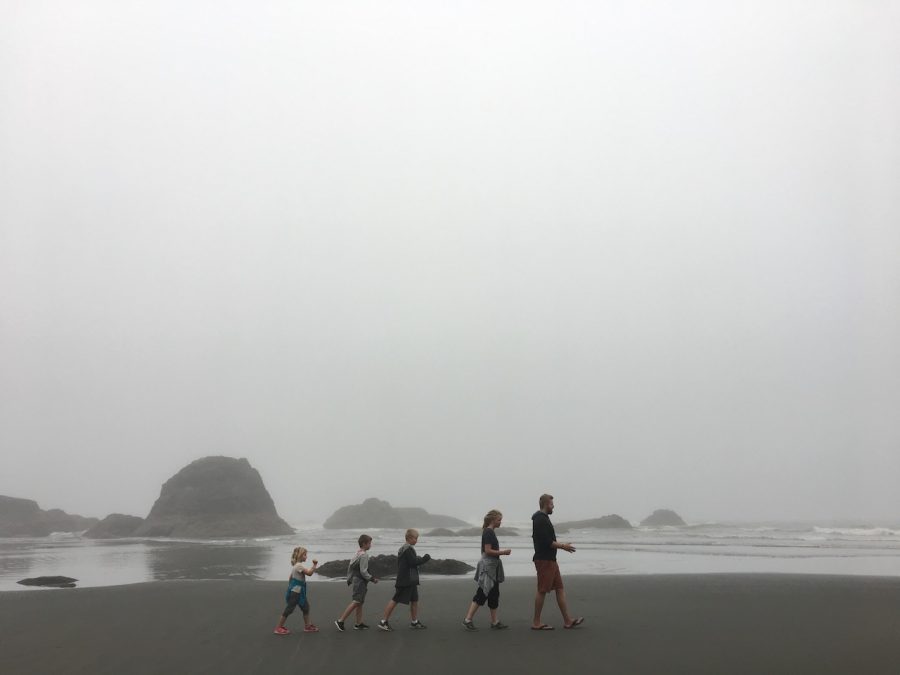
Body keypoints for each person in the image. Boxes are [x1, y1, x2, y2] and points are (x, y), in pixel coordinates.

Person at [531, 494, 584, 630]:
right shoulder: (540, 520)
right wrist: (563, 546)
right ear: (545, 504)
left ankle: (568, 620)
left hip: (551, 560)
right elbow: (546, 542)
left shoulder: (543, 519)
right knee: (542, 590)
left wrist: (562, 547)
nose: (553, 506)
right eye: (551, 504)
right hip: (544, 560)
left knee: (559, 589)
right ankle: (536, 622)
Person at [462, 509, 511, 631]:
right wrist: (503, 552)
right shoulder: (488, 532)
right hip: (488, 567)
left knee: (494, 594)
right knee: (483, 592)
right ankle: (467, 620)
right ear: (493, 520)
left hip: (493, 567)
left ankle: (495, 622)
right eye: (499, 520)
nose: (501, 522)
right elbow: (488, 551)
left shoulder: (490, 532)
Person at [378, 528, 431, 631]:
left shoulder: (405, 548)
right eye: (416, 538)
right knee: (395, 599)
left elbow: (410, 562)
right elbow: (413, 562)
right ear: (409, 538)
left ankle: (414, 622)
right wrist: (425, 558)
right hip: (405, 580)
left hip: (411, 580)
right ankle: (383, 621)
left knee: (414, 600)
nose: (417, 540)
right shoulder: (407, 549)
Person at [335, 534, 379, 631]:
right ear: (364, 544)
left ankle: (358, 623)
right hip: (360, 581)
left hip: (356, 579)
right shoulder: (364, 555)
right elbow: (363, 571)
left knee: (359, 602)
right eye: (369, 543)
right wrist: (372, 579)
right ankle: (340, 621)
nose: (370, 545)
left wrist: (349, 578)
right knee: (356, 601)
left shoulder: (358, 553)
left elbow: (351, 566)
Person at [274, 546, 319, 635]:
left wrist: (290, 586)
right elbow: (309, 573)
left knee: (305, 607)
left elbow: (290, 577)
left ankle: (307, 626)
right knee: (289, 608)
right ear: (300, 555)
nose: (306, 556)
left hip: (298, 590)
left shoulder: (296, 566)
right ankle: (278, 627)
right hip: (296, 591)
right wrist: (314, 565)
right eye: (305, 555)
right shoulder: (299, 566)